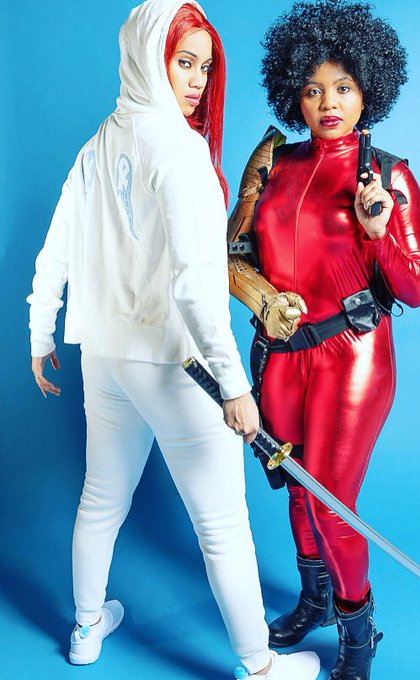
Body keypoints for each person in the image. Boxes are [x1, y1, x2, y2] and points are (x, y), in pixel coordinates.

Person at [27, 1, 321, 678]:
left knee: (101, 498)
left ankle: (86, 627)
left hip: (105, 357)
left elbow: (55, 251)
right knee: (221, 524)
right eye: (183, 62)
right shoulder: (180, 150)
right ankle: (260, 666)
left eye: (205, 67)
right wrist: (236, 386)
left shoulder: (99, 143)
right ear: (146, 56)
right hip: (175, 365)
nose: (197, 81)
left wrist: (42, 335)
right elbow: (195, 286)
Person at [227, 1, 420, 678]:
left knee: (331, 502)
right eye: (313, 90)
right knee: (295, 485)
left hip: (353, 353)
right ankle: (314, 598)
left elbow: (415, 287)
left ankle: (357, 630)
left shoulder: (389, 176)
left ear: (368, 90)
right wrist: (261, 299)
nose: (328, 103)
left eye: (343, 87)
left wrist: (379, 233)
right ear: (295, 93)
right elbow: (233, 256)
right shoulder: (274, 164)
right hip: (283, 353)